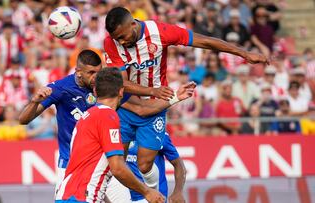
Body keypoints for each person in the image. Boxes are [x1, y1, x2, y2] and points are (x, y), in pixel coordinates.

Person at [104, 6, 268, 189]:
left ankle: (152, 194)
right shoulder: (111, 44)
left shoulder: (160, 32)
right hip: (130, 103)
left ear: (133, 24)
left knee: (144, 165)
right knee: (116, 164)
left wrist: (244, 53)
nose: (121, 41)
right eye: (117, 38)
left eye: (123, 36)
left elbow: (204, 41)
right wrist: (152, 91)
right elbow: (121, 83)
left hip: (155, 104)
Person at [19, 49, 195, 201]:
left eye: (98, 71)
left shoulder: (105, 87)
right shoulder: (60, 88)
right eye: (91, 73)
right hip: (71, 165)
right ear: (78, 71)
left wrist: (175, 97)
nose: (96, 77)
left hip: (104, 165)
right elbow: (24, 119)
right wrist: (34, 102)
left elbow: (142, 108)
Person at [55, 67, 165, 203]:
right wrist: (147, 191)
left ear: (95, 91)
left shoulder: (86, 117)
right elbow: (117, 168)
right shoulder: (108, 115)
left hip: (67, 195)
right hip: (82, 198)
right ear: (121, 92)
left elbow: (88, 170)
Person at [126, 133, 186, 203]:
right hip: (128, 197)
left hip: (156, 196)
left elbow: (178, 164)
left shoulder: (159, 134)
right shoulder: (123, 133)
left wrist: (178, 192)